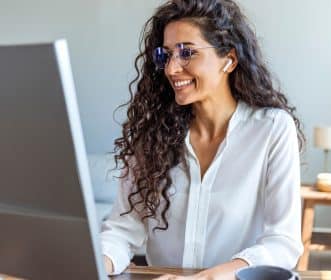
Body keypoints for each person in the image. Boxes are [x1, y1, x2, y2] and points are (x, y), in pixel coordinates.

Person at [101, 0, 305, 279]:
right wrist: (99, 262)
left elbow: (283, 241)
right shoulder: (153, 135)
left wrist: (211, 277)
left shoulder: (271, 129)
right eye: (166, 54)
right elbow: (122, 230)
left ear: (229, 60)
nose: (172, 69)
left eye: (187, 52)